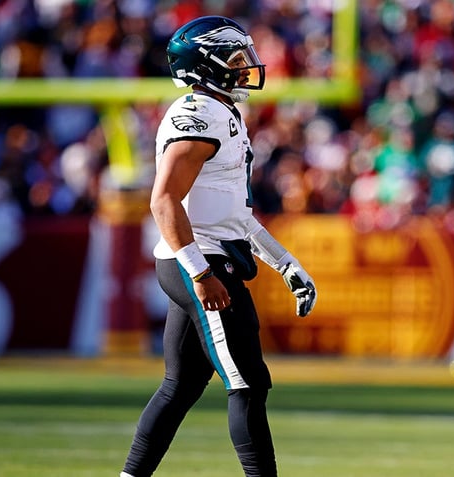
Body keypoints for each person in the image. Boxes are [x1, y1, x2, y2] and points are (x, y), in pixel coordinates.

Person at [119, 16, 317, 477]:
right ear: (204, 66)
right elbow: (163, 199)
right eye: (234, 59)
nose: (246, 67)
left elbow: (234, 214)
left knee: (181, 385)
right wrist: (201, 272)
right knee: (248, 383)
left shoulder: (222, 112)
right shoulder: (200, 114)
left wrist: (286, 265)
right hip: (201, 260)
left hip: (206, 253)